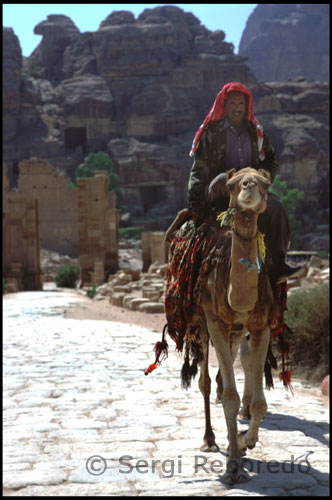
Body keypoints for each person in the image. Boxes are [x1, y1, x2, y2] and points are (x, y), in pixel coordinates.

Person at [187, 81, 303, 284]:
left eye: (241, 103)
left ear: (247, 106)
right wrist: (196, 202)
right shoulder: (212, 133)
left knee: (277, 208)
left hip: (251, 190)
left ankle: (278, 266)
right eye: (232, 103)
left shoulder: (256, 132)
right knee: (222, 180)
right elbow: (200, 167)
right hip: (222, 191)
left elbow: (270, 161)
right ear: (225, 105)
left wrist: (264, 176)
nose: (237, 108)